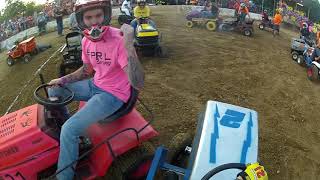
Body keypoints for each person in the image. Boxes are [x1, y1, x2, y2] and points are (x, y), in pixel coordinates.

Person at [47, 0, 142, 179]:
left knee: (69, 129)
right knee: (54, 91)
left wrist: (129, 45)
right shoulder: (86, 41)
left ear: (105, 15)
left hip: (112, 94)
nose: (94, 21)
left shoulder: (119, 39)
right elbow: (86, 71)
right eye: (89, 17)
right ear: (82, 20)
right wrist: (62, 80)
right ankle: (76, 135)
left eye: (98, 15)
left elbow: (138, 82)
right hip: (95, 84)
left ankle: (63, 177)